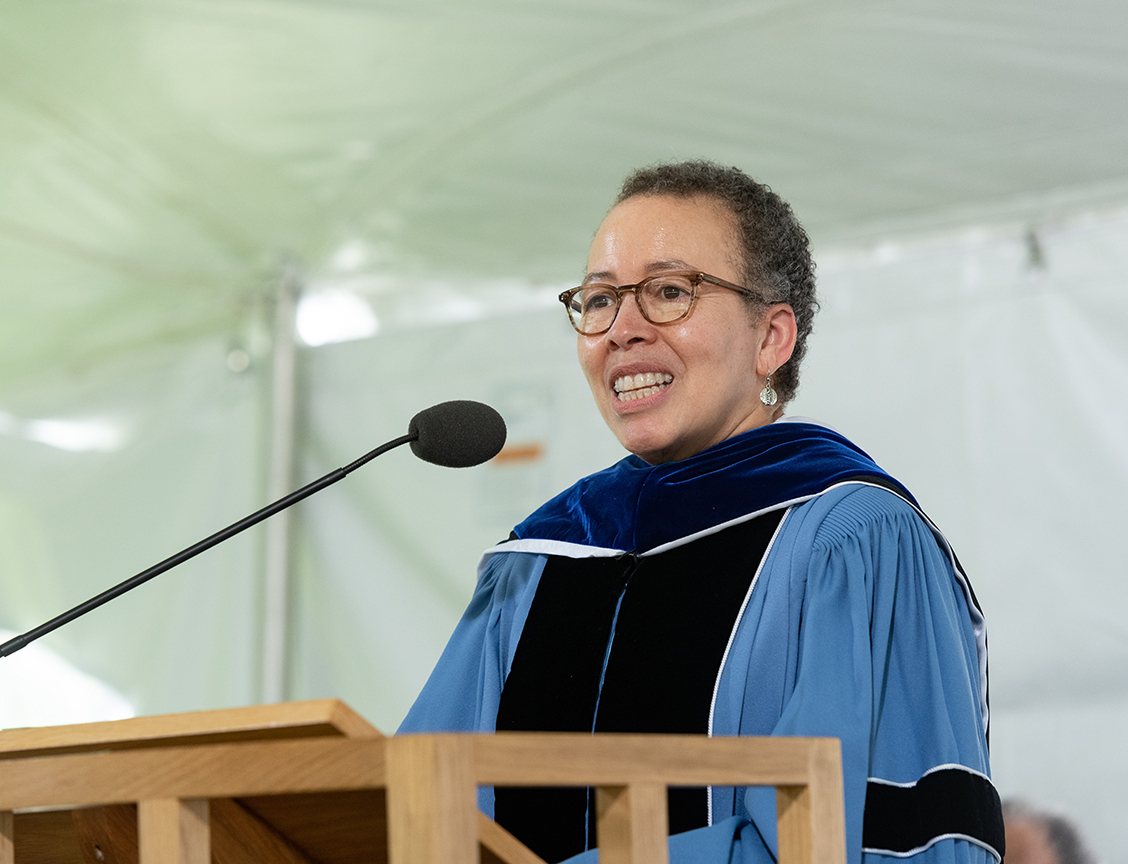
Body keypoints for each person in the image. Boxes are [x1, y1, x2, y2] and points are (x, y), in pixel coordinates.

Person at [398, 160, 1002, 864]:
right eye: (598, 300)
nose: (622, 329)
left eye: (669, 291)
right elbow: (411, 807)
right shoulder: (539, 563)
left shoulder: (853, 540)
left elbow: (904, 842)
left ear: (772, 339)